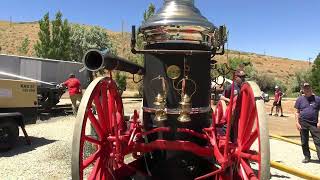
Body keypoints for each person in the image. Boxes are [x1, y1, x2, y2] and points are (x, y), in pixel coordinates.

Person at [294, 83, 320, 163]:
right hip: (303, 122)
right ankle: (307, 157)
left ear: (311, 88)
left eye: (308, 88)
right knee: (304, 141)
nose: (307, 89)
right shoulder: (300, 99)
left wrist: (319, 121)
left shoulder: (317, 99)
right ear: (303, 90)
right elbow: (297, 112)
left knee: (318, 141)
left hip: (314, 123)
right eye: (305, 88)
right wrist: (297, 123)